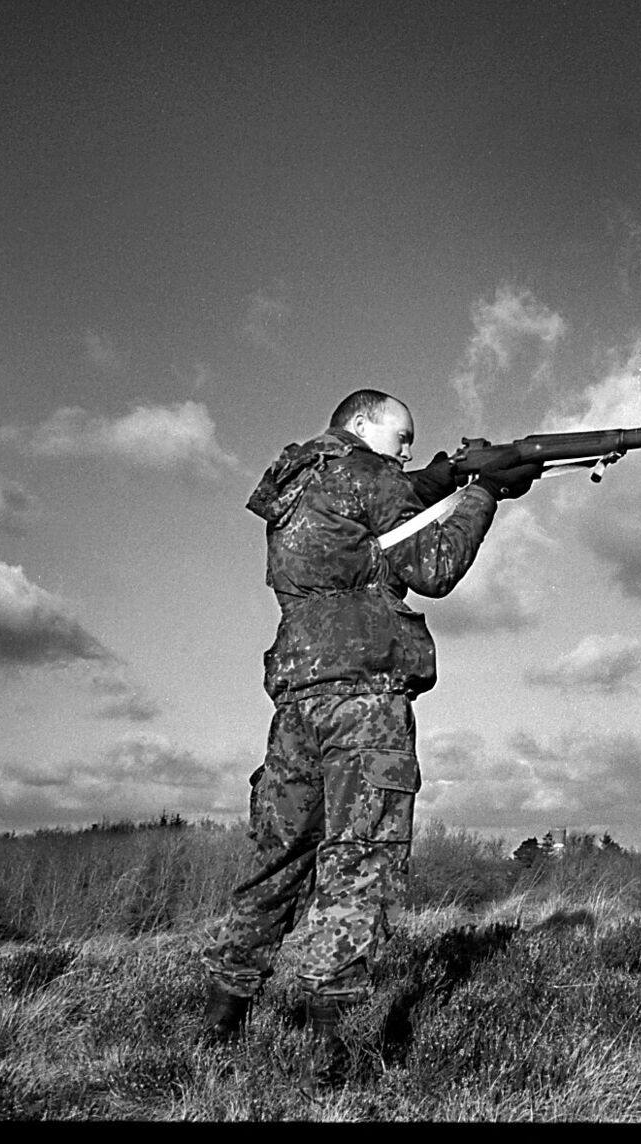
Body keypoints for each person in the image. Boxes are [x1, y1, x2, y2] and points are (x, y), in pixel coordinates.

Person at [199, 388, 540, 1082]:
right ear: (362, 425)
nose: (410, 451)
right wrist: (483, 493)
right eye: (402, 436)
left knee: (280, 857)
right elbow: (434, 567)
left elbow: (367, 524)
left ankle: (218, 1019)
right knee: (361, 859)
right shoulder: (373, 476)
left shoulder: (300, 484)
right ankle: (336, 1048)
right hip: (363, 696)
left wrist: (438, 480)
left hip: (298, 693)